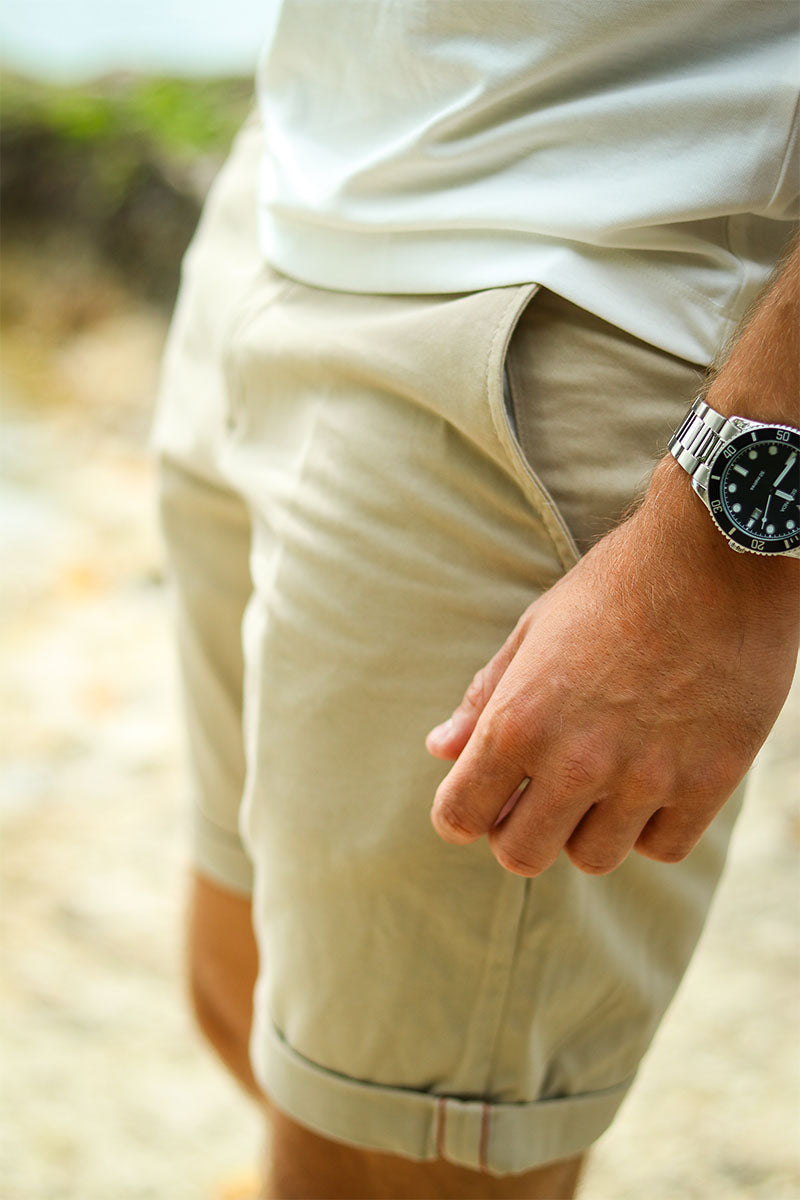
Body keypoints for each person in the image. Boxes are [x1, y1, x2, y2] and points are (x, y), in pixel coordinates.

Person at [152, 4, 799, 1197]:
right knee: (241, 1001)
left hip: (595, 293)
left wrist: (723, 541)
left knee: (379, 1161)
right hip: (303, 174)